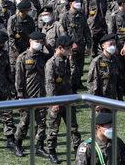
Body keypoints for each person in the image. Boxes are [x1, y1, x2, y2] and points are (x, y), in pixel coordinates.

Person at [45, 36, 82, 164]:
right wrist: (53, 101)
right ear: (59, 48)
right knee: (54, 129)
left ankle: (77, 150)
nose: (70, 51)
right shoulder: (51, 63)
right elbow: (50, 84)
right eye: (68, 49)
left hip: (69, 99)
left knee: (73, 128)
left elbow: (74, 75)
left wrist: (71, 61)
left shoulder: (67, 60)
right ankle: (52, 152)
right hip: (56, 101)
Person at [14, 31, 50, 158]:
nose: (39, 45)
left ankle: (39, 147)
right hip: (27, 96)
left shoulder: (43, 56)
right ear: (30, 41)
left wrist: (46, 44)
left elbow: (54, 55)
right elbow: (19, 78)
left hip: (41, 95)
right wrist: (20, 96)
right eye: (37, 42)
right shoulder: (23, 58)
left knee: (42, 122)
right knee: (24, 122)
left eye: (41, 42)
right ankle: (18, 144)